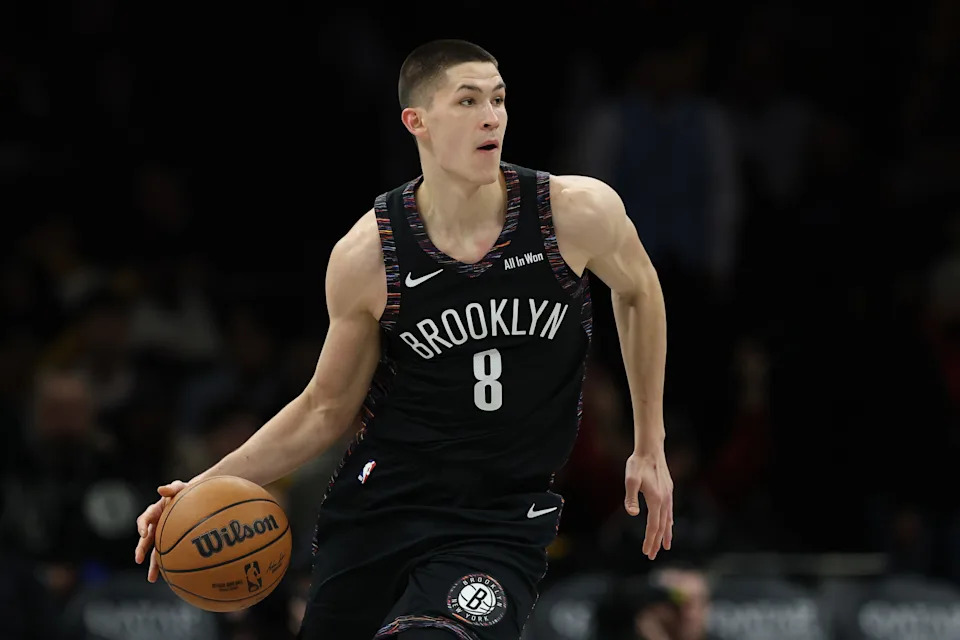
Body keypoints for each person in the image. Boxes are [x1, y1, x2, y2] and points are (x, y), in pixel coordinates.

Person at [134, 39, 674, 640]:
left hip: (496, 518)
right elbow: (324, 408)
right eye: (467, 101)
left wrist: (648, 443)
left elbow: (639, 292)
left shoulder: (575, 213)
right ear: (416, 121)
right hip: (381, 509)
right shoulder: (370, 256)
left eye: (497, 99)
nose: (491, 115)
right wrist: (203, 486)